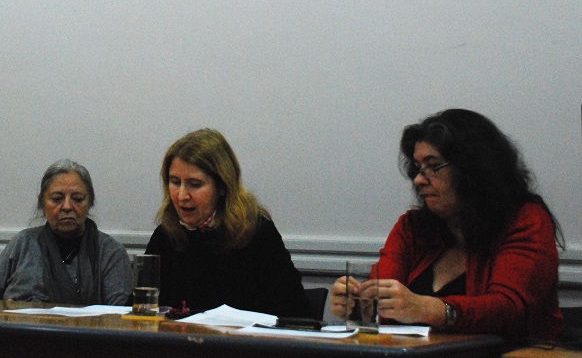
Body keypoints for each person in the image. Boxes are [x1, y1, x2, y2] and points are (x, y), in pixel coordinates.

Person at [330, 109, 565, 342]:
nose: (419, 180)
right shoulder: (412, 227)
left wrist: (432, 309)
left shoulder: (525, 220)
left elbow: (508, 310)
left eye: (433, 166)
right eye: (418, 168)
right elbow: (386, 305)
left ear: (473, 169)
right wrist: (358, 304)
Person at [145, 128, 309, 317]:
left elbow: (296, 314)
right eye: (175, 182)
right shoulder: (166, 235)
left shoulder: (256, 234)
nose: (182, 195)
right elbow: (138, 310)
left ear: (222, 186)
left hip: (244, 346)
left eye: (195, 184)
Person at [0, 159, 132, 304]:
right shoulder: (22, 244)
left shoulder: (110, 252)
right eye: (57, 199)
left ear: (90, 202)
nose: (67, 206)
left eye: (77, 199)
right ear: (42, 203)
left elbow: (120, 319)